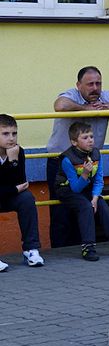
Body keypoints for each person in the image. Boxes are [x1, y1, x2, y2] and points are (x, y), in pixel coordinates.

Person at [46, 66, 109, 247]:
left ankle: (83, 246)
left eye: (98, 83)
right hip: (61, 162)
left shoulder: (105, 97)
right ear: (78, 85)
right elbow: (60, 105)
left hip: (89, 163)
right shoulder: (71, 95)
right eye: (90, 84)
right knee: (61, 211)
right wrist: (86, 109)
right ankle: (60, 252)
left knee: (90, 205)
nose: (95, 88)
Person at [54, 122, 109, 261]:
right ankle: (88, 247)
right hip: (67, 190)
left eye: (91, 136)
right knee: (86, 206)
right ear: (74, 142)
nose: (90, 140)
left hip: (87, 189)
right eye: (85, 137)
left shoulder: (96, 153)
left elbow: (99, 180)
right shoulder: (67, 159)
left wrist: (96, 198)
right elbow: (75, 188)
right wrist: (85, 174)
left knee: (102, 205)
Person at [0, 114, 44, 271]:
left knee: (26, 198)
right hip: (5, 194)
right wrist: (13, 188)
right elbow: (14, 186)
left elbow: (21, 183)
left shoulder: (18, 152)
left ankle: (31, 250)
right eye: (5, 134)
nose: (11, 138)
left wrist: (13, 161)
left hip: (9, 196)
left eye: (14, 133)